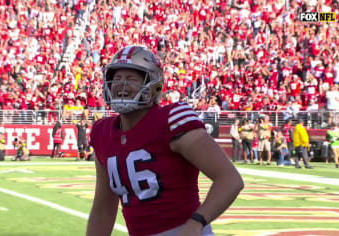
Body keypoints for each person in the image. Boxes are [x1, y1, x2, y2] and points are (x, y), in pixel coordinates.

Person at [86, 46, 243, 236]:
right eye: (117, 78)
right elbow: (104, 206)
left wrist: (197, 223)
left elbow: (230, 179)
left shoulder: (171, 120)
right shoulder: (103, 132)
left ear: (154, 86)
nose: (121, 84)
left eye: (131, 79)